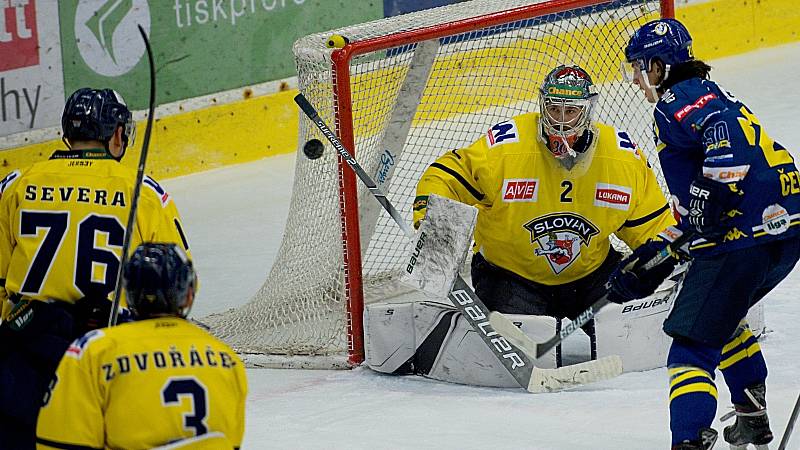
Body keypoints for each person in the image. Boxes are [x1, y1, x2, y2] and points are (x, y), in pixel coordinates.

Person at [610, 18, 800, 449]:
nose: (638, 82)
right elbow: (702, 214)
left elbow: (724, 138)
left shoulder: (677, 99)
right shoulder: (708, 92)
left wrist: (716, 186)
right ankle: (751, 415)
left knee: (690, 347)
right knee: (722, 319)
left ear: (659, 67)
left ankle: (689, 440)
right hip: (784, 232)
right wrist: (652, 258)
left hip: (745, 241)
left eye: (639, 70)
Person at [414, 64, 677, 361]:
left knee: (629, 337)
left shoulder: (621, 159)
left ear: (587, 113)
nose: (561, 123)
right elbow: (447, 173)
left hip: (591, 278)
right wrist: (430, 218)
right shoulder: (506, 149)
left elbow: (654, 226)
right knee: (522, 351)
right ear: (542, 106)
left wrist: (672, 259)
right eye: (554, 110)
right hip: (510, 277)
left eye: (570, 112)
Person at [0, 88, 191, 449]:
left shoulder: (16, 186)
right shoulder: (145, 193)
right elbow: (175, 286)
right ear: (117, 134)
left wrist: (14, 330)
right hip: (109, 357)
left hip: (26, 356)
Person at [36, 243, 247, 449]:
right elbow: (232, 441)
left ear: (129, 293)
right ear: (189, 294)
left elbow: (61, 442)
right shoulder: (226, 359)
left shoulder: (94, 351)